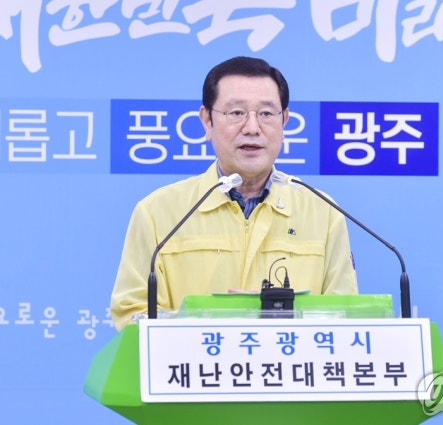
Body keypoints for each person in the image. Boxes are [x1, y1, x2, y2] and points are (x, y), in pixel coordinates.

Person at [110, 56, 358, 331]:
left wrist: (276, 322)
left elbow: (345, 316)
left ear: (284, 121)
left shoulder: (323, 212)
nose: (252, 128)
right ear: (207, 121)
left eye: (266, 114)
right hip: (199, 359)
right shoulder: (158, 213)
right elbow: (132, 315)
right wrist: (217, 324)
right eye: (236, 113)